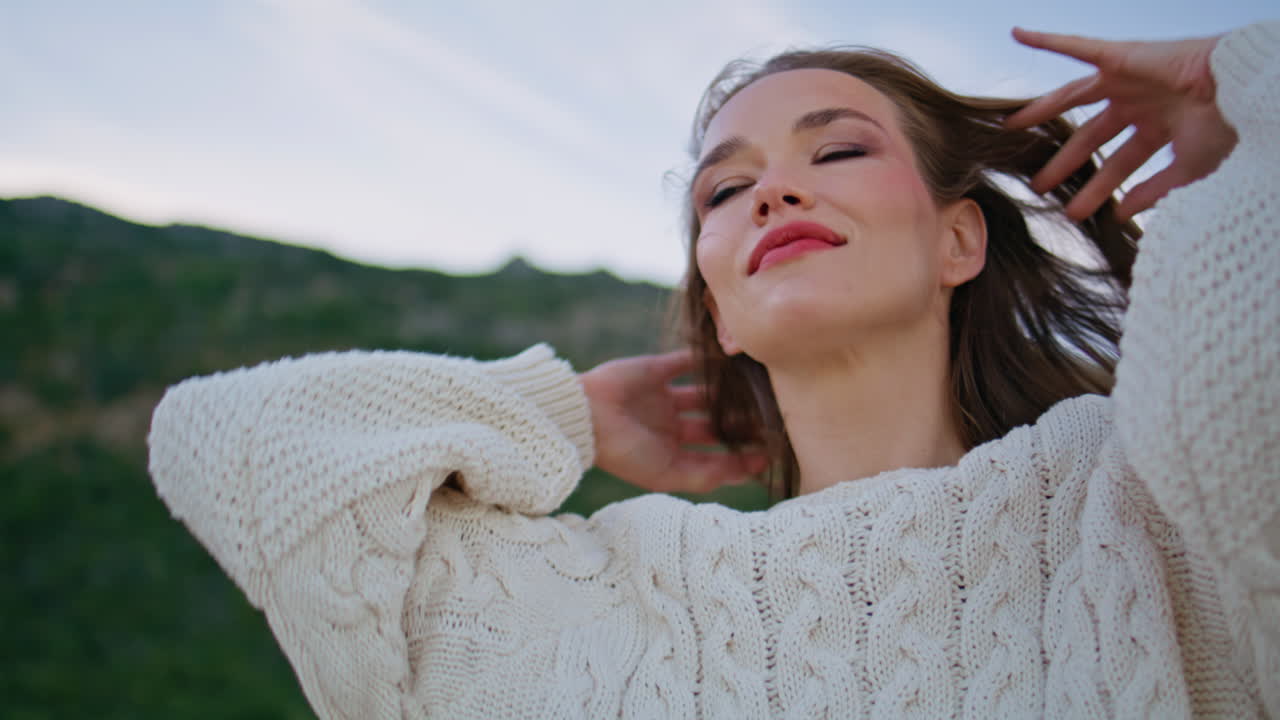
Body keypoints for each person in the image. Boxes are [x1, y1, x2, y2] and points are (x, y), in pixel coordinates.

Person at [148, 22, 1278, 719]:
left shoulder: (1139, 500)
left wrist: (1235, 80)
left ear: (959, 242)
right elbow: (230, 443)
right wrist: (566, 412)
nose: (772, 193)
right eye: (721, 192)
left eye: (836, 150)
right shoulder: (592, 596)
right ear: (719, 312)